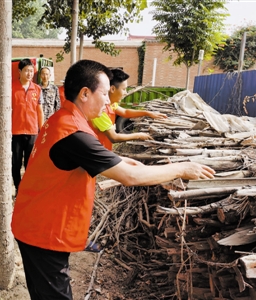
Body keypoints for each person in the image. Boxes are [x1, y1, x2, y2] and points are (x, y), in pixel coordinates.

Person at [11, 59, 215, 300]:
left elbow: (113, 161)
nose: (109, 101)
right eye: (106, 94)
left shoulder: (65, 120)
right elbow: (130, 177)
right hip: (42, 233)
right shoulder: (74, 135)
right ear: (85, 93)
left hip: (34, 222)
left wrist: (151, 168)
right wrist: (182, 168)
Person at [91, 68, 168, 150]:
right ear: (112, 89)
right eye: (124, 89)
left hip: (103, 151)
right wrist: (138, 136)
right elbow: (114, 137)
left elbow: (125, 112)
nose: (126, 93)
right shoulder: (99, 111)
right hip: (95, 153)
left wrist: (148, 113)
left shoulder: (111, 104)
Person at [11, 58, 44, 194]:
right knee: (16, 162)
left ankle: (28, 189)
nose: (30, 74)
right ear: (20, 72)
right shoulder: (11, 88)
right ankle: (18, 189)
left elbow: (39, 110)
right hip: (16, 131)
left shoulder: (37, 89)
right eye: (26, 71)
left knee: (30, 163)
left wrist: (41, 129)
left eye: (31, 71)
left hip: (32, 131)